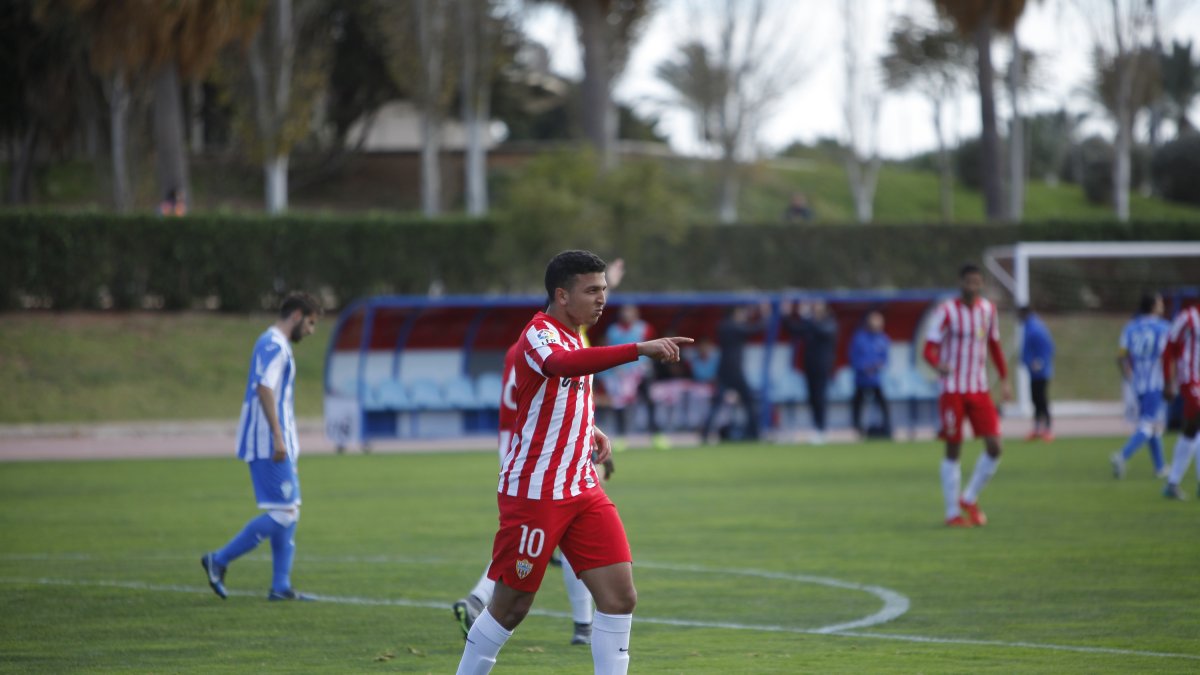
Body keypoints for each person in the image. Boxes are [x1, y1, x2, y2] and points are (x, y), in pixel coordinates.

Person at [455, 250, 691, 675]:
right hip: (535, 491)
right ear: (562, 295)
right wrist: (638, 349)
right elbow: (560, 366)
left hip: (582, 487)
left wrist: (591, 429)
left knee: (619, 597)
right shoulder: (538, 334)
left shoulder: (576, 335)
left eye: (604, 289)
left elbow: (562, 394)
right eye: (593, 290)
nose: (603, 299)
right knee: (511, 607)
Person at [452, 340, 604, 646]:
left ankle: (479, 598)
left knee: (535, 540)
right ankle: (583, 625)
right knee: (557, 537)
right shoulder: (558, 345)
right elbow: (565, 401)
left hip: (516, 447)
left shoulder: (519, 347)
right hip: (541, 453)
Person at [201, 291, 322, 600]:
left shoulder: (275, 343)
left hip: (279, 441)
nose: (311, 331)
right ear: (296, 315)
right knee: (285, 511)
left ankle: (281, 587)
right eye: (310, 323)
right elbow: (264, 387)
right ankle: (219, 560)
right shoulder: (273, 344)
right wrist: (278, 437)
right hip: (267, 441)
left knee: (290, 509)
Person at [922, 264, 1010, 528]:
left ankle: (969, 497)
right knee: (953, 447)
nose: (972, 286)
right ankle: (952, 513)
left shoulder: (988, 310)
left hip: (979, 388)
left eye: (976, 282)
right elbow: (928, 349)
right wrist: (937, 365)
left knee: (995, 446)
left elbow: (994, 346)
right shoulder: (947, 311)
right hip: (952, 389)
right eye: (968, 281)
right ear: (960, 283)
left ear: (981, 284)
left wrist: (1005, 379)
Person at [1110, 293, 1171, 479]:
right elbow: (1168, 356)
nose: (1162, 306)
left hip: (1137, 383)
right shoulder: (1163, 327)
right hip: (1155, 382)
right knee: (1148, 424)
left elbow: (1121, 356)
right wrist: (1171, 381)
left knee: (1150, 424)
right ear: (1153, 306)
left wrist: (1128, 376)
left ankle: (1160, 467)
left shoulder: (1130, 327)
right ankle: (1122, 455)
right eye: (1160, 303)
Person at [700, 303, 767, 444]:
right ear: (735, 312)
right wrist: (766, 315)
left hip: (725, 370)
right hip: (734, 371)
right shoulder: (732, 326)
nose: (744, 315)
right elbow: (754, 329)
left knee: (719, 404)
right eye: (742, 312)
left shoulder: (724, 326)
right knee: (747, 402)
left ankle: (705, 434)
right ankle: (755, 434)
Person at [603, 304, 668, 449]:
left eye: (630, 312)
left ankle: (657, 436)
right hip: (622, 374)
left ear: (636, 314)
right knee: (620, 405)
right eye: (624, 312)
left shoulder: (644, 328)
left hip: (641, 372)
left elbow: (654, 348)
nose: (627, 315)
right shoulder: (613, 331)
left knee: (650, 402)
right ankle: (621, 437)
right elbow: (608, 350)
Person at [1161, 302, 1200, 500]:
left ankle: (1172, 483)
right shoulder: (1188, 317)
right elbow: (1168, 348)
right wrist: (1168, 381)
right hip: (1190, 379)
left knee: (1191, 430)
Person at [786, 300, 837, 444]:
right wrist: (786, 315)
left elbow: (823, 331)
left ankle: (822, 428)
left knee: (820, 396)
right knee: (812, 397)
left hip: (823, 366)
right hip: (809, 365)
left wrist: (806, 318)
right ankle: (816, 427)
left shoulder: (829, 322)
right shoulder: (810, 323)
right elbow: (794, 329)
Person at [849, 310, 891, 438]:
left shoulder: (883, 338)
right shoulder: (859, 338)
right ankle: (857, 429)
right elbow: (853, 357)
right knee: (858, 402)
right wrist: (864, 367)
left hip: (876, 379)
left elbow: (885, 359)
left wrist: (877, 366)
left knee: (882, 402)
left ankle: (887, 427)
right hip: (861, 378)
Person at [1018, 306, 1056, 441]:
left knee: (1041, 400)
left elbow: (1048, 347)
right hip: (1034, 372)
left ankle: (1047, 429)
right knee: (1035, 399)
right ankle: (1037, 428)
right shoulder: (1029, 326)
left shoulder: (1035, 327)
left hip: (1040, 371)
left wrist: (1040, 362)